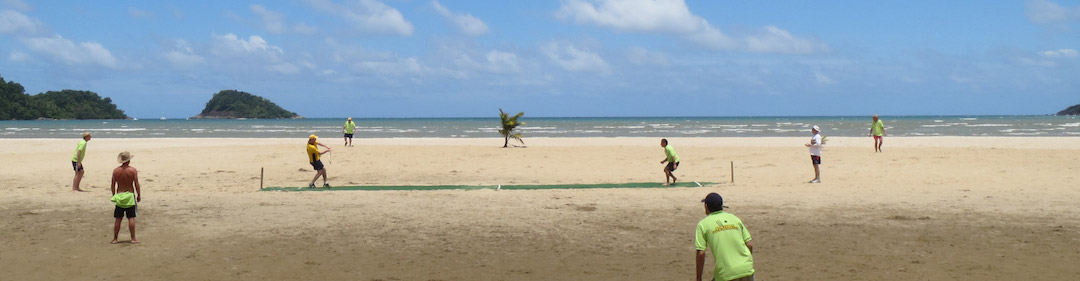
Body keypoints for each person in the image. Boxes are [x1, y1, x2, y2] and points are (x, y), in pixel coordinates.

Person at [695, 192, 755, 281]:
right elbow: (749, 245)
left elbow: (701, 253)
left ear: (706, 206)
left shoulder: (703, 224)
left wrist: (698, 277)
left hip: (726, 273)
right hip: (746, 268)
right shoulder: (734, 219)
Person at [110, 151, 141, 244]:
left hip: (119, 195)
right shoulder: (133, 170)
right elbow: (136, 184)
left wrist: (114, 194)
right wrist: (139, 194)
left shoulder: (116, 171)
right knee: (131, 218)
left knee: (118, 218)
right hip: (130, 195)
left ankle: (115, 239)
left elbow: (112, 184)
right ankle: (133, 238)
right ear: (129, 160)